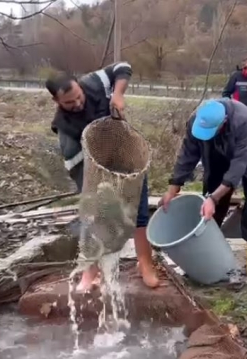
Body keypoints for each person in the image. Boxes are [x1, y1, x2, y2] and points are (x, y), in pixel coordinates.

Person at [47, 62, 159, 291]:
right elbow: (77, 169)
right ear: (56, 102)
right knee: (94, 219)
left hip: (127, 155)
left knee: (139, 215)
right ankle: (91, 273)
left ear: (79, 84)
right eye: (69, 103)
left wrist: (117, 94)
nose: (77, 104)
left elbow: (124, 67)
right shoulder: (64, 127)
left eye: (78, 97)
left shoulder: (94, 82)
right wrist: (93, 195)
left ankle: (145, 264)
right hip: (97, 171)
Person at [160, 99, 247, 281]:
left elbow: (238, 167)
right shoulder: (196, 121)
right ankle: (207, 257)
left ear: (223, 123)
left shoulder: (242, 120)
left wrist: (214, 198)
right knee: (208, 209)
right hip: (217, 150)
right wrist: (172, 189)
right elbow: (187, 155)